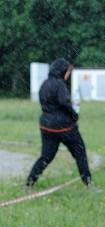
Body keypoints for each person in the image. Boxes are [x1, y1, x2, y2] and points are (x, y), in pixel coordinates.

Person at [25, 58, 99, 191]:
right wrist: (74, 115)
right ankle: (88, 183)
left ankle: (29, 183)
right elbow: (64, 103)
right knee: (80, 152)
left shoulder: (44, 84)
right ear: (62, 71)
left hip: (46, 126)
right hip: (64, 127)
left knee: (46, 157)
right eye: (68, 71)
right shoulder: (60, 85)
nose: (68, 74)